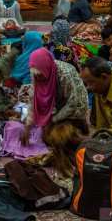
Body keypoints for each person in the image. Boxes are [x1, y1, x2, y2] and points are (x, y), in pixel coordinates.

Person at [20, 47, 89, 176]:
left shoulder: (66, 73)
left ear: (47, 69)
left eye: (40, 75)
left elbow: (75, 103)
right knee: (46, 136)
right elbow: (35, 99)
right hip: (57, 110)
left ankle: (74, 159)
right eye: (35, 76)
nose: (38, 79)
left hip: (75, 111)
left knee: (59, 137)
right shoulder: (36, 73)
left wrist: (52, 120)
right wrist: (28, 128)